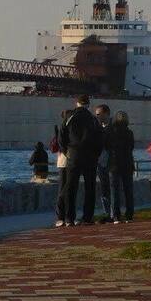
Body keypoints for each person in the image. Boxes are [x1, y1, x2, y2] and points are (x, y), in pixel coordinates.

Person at [59, 95, 103, 225]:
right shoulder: (93, 119)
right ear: (88, 105)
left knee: (71, 187)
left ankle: (69, 218)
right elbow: (99, 139)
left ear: (76, 103)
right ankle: (87, 218)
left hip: (74, 155)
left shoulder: (69, 117)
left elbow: (61, 137)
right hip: (90, 157)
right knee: (90, 187)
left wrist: (66, 152)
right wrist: (96, 154)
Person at [106, 111, 136, 223]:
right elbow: (131, 147)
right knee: (128, 190)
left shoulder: (111, 132)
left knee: (115, 191)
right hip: (127, 163)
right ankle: (129, 214)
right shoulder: (129, 133)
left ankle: (116, 216)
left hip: (114, 164)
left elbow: (107, 146)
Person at [93, 104, 114, 222]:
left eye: (98, 114)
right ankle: (107, 212)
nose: (97, 116)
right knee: (104, 187)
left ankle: (112, 212)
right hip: (101, 162)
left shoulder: (112, 128)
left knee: (111, 187)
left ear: (106, 113)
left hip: (110, 162)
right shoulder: (99, 128)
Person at [51, 113, 70, 227]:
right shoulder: (64, 130)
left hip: (63, 162)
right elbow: (62, 145)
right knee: (64, 190)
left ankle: (64, 217)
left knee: (64, 189)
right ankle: (62, 216)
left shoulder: (61, 129)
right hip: (65, 162)